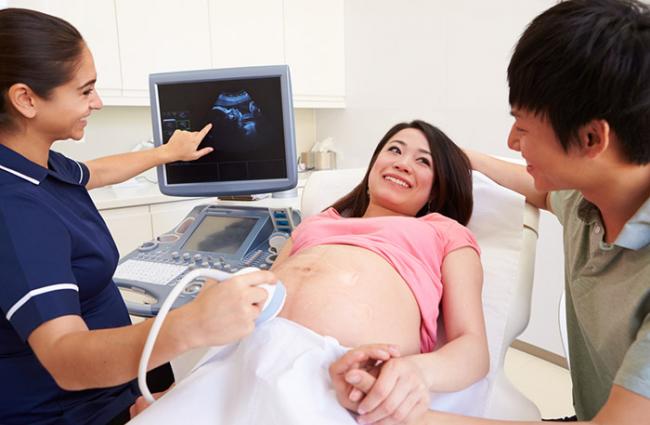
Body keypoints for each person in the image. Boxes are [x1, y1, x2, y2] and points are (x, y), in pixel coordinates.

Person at [332, 1, 650, 424]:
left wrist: (401, 412)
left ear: (591, 138)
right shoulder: (586, 199)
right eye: (394, 151)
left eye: (522, 126)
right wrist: (456, 156)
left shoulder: (445, 236)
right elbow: (534, 188)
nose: (512, 140)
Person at [0, 8, 277, 425]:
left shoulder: (37, 164)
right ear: (25, 99)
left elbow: (94, 172)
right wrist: (194, 323)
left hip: (116, 388)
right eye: (85, 90)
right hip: (72, 411)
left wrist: (167, 152)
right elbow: (64, 357)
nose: (97, 102)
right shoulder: (14, 208)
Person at [127, 119, 488, 425]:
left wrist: (418, 373)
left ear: (437, 188)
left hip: (343, 377)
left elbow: (472, 346)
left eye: (423, 160)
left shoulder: (445, 232)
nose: (403, 162)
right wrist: (181, 388)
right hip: (245, 356)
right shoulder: (317, 223)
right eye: (394, 150)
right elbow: (260, 298)